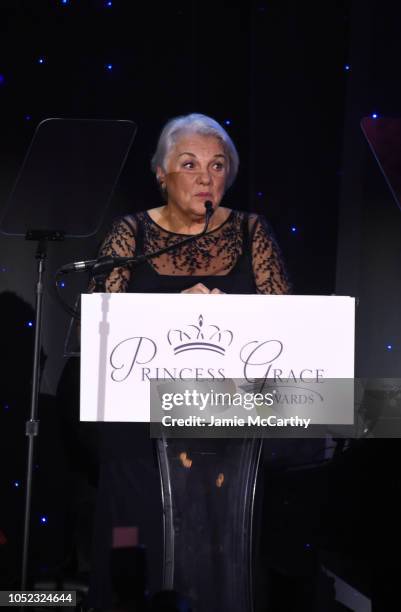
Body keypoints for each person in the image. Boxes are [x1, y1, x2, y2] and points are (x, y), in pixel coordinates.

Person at [87, 113, 290, 611]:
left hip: (227, 428)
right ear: (161, 172)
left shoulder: (251, 232)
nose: (205, 176)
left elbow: (289, 329)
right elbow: (93, 329)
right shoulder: (129, 234)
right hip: (140, 432)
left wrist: (231, 319)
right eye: (190, 163)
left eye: (217, 165)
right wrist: (169, 313)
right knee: (132, 539)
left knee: (222, 551)